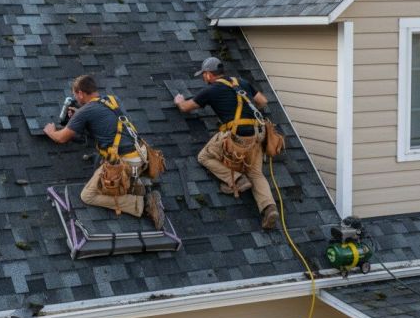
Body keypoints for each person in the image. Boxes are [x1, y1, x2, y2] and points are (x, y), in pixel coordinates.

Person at [44, 75, 163, 229]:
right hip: (142, 155)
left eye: (75, 95)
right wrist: (80, 116)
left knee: (88, 196)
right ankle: (138, 185)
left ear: (80, 93)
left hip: (125, 162)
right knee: (110, 172)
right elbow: (105, 121)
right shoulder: (112, 100)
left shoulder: (85, 111)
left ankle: (141, 203)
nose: (75, 98)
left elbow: (61, 138)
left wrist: (50, 131)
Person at [173, 57, 279, 230]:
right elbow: (263, 101)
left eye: (203, 75)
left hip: (236, 136)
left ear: (209, 74)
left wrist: (179, 101)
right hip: (256, 135)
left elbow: (186, 107)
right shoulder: (241, 82)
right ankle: (270, 209)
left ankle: (237, 180)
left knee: (204, 156)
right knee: (256, 173)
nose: (203, 78)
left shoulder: (211, 90)